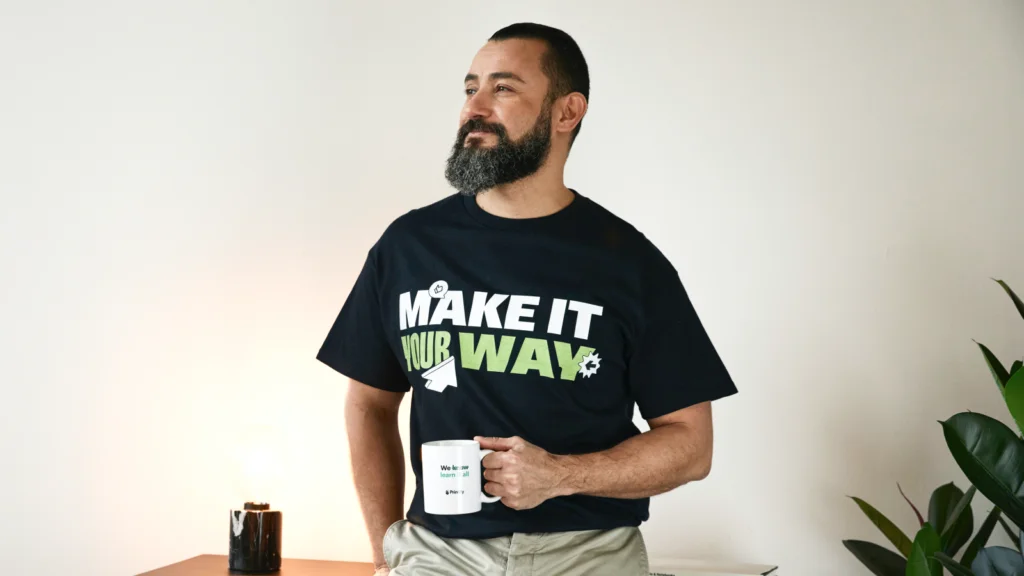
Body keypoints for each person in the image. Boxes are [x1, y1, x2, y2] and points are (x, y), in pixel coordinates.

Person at [317, 22, 738, 576]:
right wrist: (386, 555)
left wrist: (561, 474)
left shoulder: (628, 262)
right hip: (436, 555)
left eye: (504, 88)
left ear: (567, 112)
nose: (475, 107)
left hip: (587, 557)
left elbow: (691, 446)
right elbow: (369, 405)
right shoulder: (408, 247)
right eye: (471, 89)